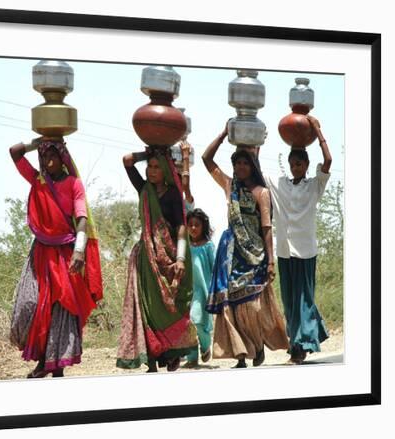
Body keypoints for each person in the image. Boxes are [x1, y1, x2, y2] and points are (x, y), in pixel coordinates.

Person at [8, 137, 103, 378]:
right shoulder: (38, 181)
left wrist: (80, 250)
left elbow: (81, 218)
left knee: (61, 307)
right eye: (44, 157)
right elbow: (15, 152)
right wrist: (40, 141)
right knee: (32, 304)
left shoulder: (74, 184)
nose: (48, 161)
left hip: (65, 253)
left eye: (53, 156)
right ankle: (43, 360)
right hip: (40, 251)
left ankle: (54, 365)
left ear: (63, 158)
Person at [202, 123, 289, 368]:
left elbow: (266, 228)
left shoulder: (262, 193)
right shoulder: (230, 186)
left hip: (255, 254)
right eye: (237, 163)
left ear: (252, 166)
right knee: (231, 304)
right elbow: (207, 159)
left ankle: (257, 345)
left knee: (252, 305)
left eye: (245, 163)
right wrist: (222, 134)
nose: (240, 167)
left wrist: (271, 261)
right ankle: (240, 353)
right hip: (231, 254)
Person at [116, 147, 198, 373]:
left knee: (170, 307)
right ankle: (151, 359)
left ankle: (172, 353)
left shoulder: (172, 194)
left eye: (156, 167)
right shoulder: (144, 189)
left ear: (165, 170)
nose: (151, 172)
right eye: (149, 167)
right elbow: (127, 160)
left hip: (170, 257)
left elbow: (181, 225)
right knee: (148, 308)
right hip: (146, 257)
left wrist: (180, 258)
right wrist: (150, 151)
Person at [261, 115, 331, 365]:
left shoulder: (314, 186)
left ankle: (299, 349)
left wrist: (317, 130)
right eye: (293, 163)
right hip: (284, 252)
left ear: (306, 165)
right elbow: (258, 170)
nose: (296, 167)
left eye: (300, 164)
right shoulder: (280, 185)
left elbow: (329, 160)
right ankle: (304, 340)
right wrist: (258, 140)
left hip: (306, 251)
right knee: (290, 302)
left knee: (304, 300)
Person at [183, 208, 216, 368]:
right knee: (189, 322)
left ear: (203, 226)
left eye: (197, 225)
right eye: (190, 225)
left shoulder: (208, 246)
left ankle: (205, 345)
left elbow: (215, 267)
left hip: (204, 290)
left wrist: (216, 290)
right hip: (188, 291)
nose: (193, 228)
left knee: (199, 322)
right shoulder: (185, 247)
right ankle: (192, 358)